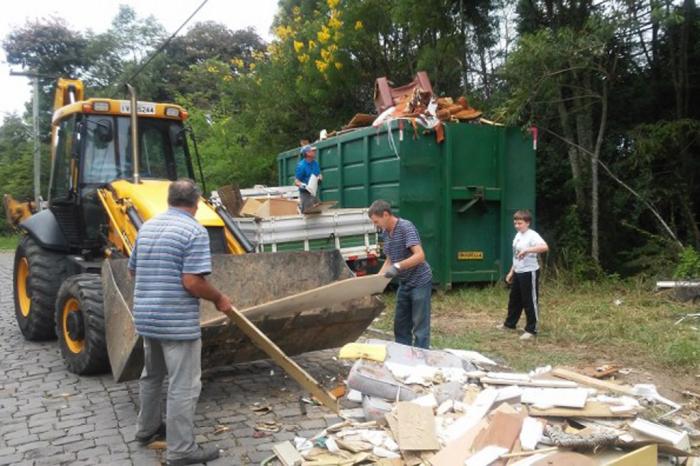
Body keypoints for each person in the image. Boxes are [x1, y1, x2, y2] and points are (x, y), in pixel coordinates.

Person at [129, 178, 233, 466]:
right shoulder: (193, 230)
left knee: (152, 375)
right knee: (184, 385)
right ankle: (182, 450)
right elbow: (191, 281)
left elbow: (133, 271)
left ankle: (146, 431)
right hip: (176, 322)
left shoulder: (147, 227)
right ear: (197, 202)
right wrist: (219, 299)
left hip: (147, 318)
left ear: (169, 200)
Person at [368, 200, 433, 348]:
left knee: (420, 327)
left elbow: (420, 256)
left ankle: (421, 359)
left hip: (420, 282)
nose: (375, 225)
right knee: (401, 325)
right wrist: (376, 282)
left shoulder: (405, 227)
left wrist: (399, 266)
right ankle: (403, 358)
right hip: (405, 284)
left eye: (376, 221)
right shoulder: (385, 232)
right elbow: (390, 260)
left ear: (385, 214)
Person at [500, 209, 549, 340]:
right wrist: (511, 272)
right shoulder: (518, 236)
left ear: (527, 223)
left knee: (529, 300)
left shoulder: (532, 235)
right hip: (518, 272)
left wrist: (527, 250)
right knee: (514, 299)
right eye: (515, 223)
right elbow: (516, 256)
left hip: (529, 272)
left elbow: (544, 247)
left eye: (520, 223)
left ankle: (532, 330)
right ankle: (509, 324)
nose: (517, 225)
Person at [294, 144, 322, 213]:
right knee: (307, 213)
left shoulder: (315, 163)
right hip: (305, 194)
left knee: (318, 212)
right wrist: (305, 186)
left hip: (313, 193)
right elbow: (296, 182)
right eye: (312, 151)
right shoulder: (301, 166)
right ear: (307, 153)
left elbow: (318, 174)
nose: (314, 152)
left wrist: (320, 177)